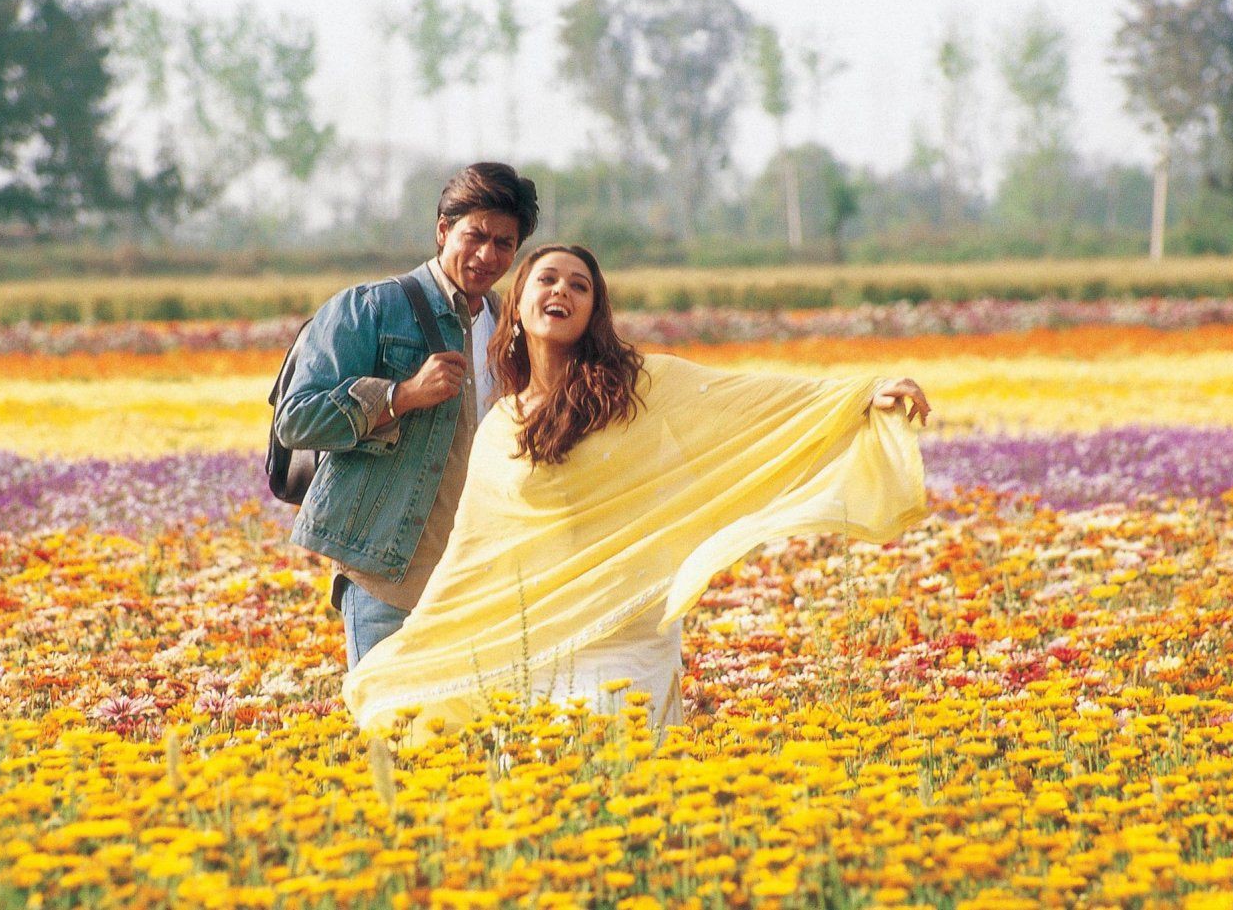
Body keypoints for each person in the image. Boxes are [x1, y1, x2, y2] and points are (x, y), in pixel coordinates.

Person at [343, 244, 930, 736]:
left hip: (625, 631)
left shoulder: (640, 390)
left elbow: (752, 404)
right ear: (516, 308)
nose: (562, 292)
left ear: (593, 311)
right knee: (539, 779)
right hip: (540, 637)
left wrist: (859, 397)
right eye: (546, 280)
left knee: (619, 760)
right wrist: (420, 644)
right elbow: (474, 553)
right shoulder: (503, 424)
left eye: (580, 287)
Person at [275, 163, 539, 669]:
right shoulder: (371, 308)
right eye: (475, 235)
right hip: (390, 576)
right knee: (390, 731)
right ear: (444, 230)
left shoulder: (510, 324)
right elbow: (297, 419)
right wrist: (399, 396)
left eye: (504, 243)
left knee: (468, 737)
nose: (488, 255)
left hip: (481, 574)